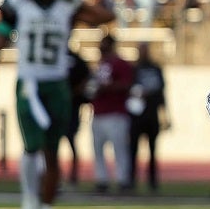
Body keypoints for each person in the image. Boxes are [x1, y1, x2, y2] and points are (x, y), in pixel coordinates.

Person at [0, 0, 115, 209]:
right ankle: (28, 204)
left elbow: (106, 16)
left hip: (57, 85)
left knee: (52, 152)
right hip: (29, 84)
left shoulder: (68, 6)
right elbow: (0, 39)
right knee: (30, 148)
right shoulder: (17, 5)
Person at [89, 34, 135, 194]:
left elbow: (126, 85)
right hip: (99, 111)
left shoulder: (120, 64)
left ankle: (123, 180)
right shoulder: (101, 64)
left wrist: (106, 88)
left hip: (116, 112)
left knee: (119, 149)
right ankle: (102, 180)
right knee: (98, 149)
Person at [127, 42, 168, 193]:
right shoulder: (133, 69)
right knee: (133, 149)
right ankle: (131, 179)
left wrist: (165, 114)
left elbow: (162, 92)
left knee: (152, 149)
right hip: (137, 115)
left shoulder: (155, 68)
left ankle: (152, 181)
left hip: (152, 114)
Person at [63, 47, 91, 187]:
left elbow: (86, 77)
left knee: (71, 139)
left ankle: (73, 174)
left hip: (73, 107)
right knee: (50, 143)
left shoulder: (76, 60)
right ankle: (52, 172)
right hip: (56, 106)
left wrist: (74, 92)